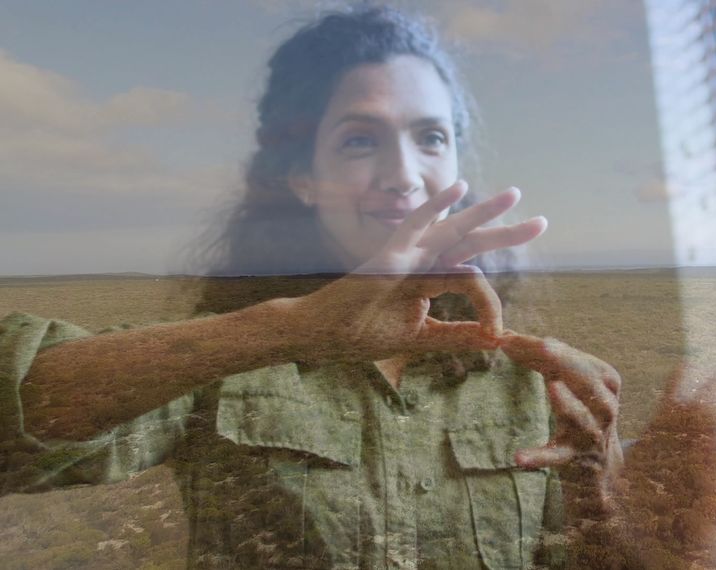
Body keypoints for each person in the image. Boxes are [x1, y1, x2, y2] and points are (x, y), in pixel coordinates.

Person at [0, 5, 624, 568]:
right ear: (302, 178)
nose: (404, 175)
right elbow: (18, 427)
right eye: (360, 140)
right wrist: (288, 330)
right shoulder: (223, 363)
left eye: (432, 137)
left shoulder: (526, 378)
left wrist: (599, 484)